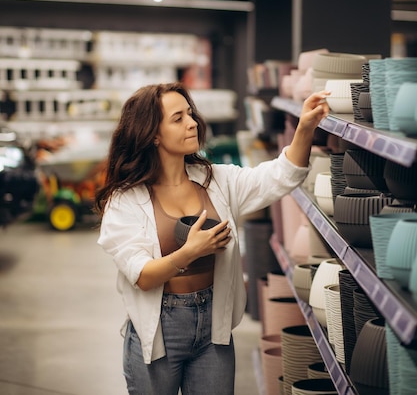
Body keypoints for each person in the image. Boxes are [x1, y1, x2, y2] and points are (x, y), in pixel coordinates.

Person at [95, 82, 329, 395]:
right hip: (161, 329)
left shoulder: (217, 180)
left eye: (190, 114)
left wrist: (305, 127)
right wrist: (188, 253)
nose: (192, 123)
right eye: (177, 119)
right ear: (152, 133)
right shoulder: (126, 200)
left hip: (212, 327)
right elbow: (142, 276)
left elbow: (281, 175)